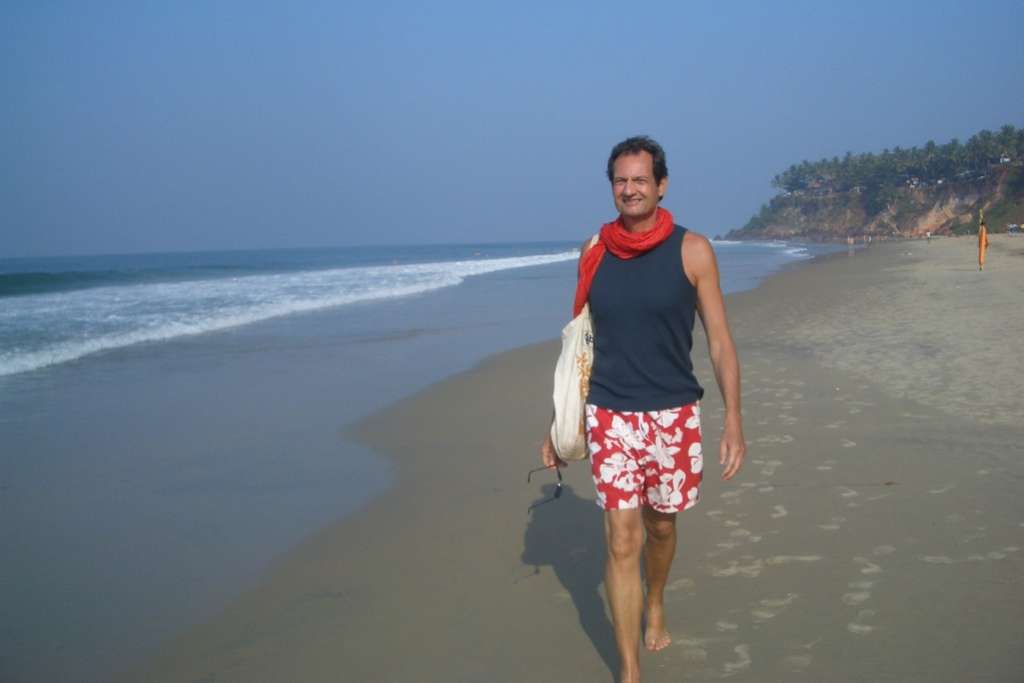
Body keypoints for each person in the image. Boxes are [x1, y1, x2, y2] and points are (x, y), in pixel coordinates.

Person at [540, 136, 746, 683]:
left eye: (639, 180)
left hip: (673, 413)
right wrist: (558, 425)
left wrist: (735, 421)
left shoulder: (693, 250)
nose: (629, 190)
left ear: (661, 185)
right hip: (610, 413)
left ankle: (656, 599)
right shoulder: (594, 252)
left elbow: (721, 342)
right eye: (620, 181)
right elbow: (577, 348)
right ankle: (629, 670)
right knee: (622, 538)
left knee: (659, 529)